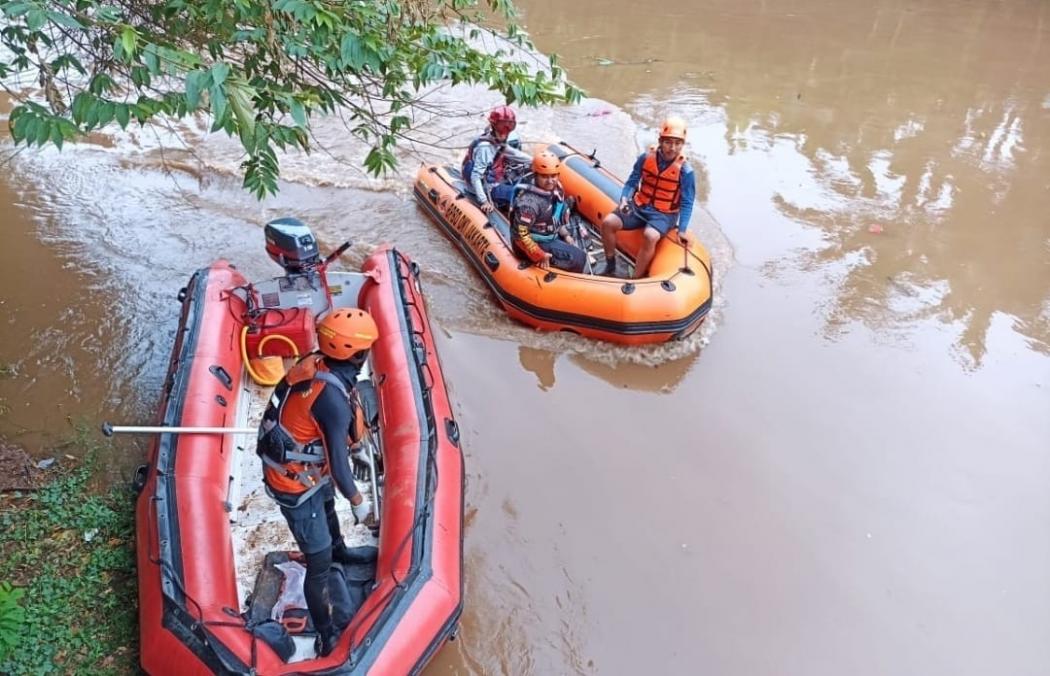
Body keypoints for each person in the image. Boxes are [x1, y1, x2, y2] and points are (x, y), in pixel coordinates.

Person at [256, 307, 378, 657]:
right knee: (319, 562)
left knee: (327, 510)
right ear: (355, 352)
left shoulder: (319, 363)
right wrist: (359, 501)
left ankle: (342, 550)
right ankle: (326, 632)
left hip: (310, 471)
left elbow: (333, 449)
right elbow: (340, 470)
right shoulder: (331, 400)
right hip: (293, 484)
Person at [599, 116, 696, 278]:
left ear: (682, 145)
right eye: (668, 142)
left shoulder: (686, 171)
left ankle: (635, 278)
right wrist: (624, 198)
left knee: (650, 235)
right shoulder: (645, 159)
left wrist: (683, 229)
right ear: (660, 141)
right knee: (608, 223)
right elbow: (631, 182)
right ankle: (610, 265)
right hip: (639, 205)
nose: (672, 148)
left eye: (677, 143)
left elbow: (687, 201)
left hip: (664, 214)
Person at [510, 150, 588, 273]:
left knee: (571, 206)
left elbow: (555, 217)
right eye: (544, 176)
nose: (550, 181)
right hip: (532, 244)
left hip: (548, 234)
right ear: (536, 175)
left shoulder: (557, 189)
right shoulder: (529, 205)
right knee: (579, 258)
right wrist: (539, 254)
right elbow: (519, 236)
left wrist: (565, 235)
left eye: (553, 176)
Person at [462, 104, 533, 214]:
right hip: (486, 187)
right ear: (494, 126)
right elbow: (476, 177)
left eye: (509, 127)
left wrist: (535, 161)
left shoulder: (497, 141)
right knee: (520, 196)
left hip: (494, 180)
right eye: (502, 127)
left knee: (523, 180)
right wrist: (484, 201)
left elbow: (514, 154)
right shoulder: (485, 147)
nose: (505, 132)